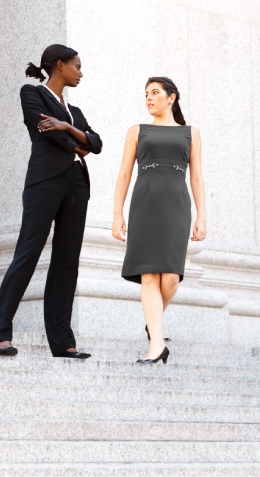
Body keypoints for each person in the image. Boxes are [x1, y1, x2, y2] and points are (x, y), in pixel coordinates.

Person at [0, 44, 103, 358]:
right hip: (45, 182)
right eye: (76, 66)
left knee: (67, 262)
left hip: (77, 184)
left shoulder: (73, 112)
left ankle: (63, 342)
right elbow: (46, 131)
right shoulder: (31, 93)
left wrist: (66, 126)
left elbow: (98, 143)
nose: (81, 72)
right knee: (28, 252)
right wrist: (78, 140)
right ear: (60, 65)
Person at [112, 77, 207, 364]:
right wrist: (117, 213)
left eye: (155, 93)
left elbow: (197, 176)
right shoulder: (136, 131)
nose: (149, 98)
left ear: (172, 97)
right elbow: (125, 174)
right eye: (146, 94)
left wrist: (202, 215)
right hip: (145, 201)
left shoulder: (191, 133)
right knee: (149, 274)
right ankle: (157, 343)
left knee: (171, 277)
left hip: (176, 203)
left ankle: (154, 324)